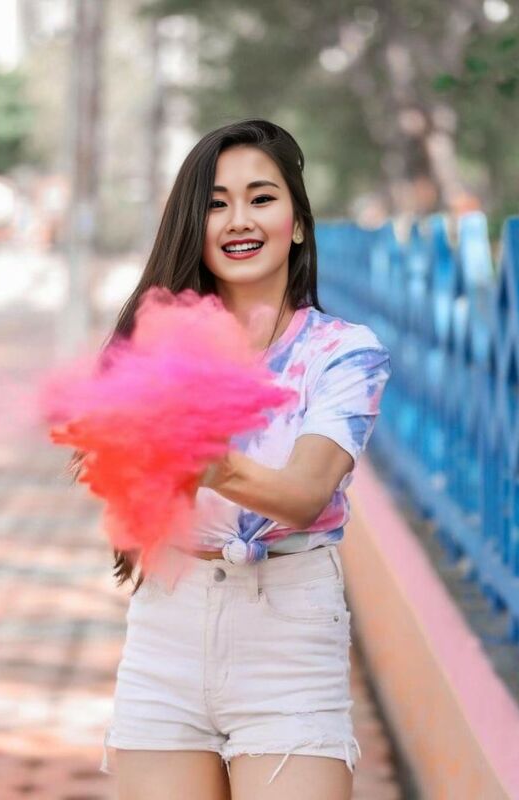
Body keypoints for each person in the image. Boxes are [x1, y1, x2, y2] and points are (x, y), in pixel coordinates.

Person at [95, 118, 391, 799]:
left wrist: (207, 456)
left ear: (298, 223)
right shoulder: (157, 345)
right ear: (194, 226)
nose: (239, 219)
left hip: (289, 637)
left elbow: (305, 494)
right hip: (168, 628)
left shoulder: (343, 352)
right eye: (216, 203)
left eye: (261, 198)